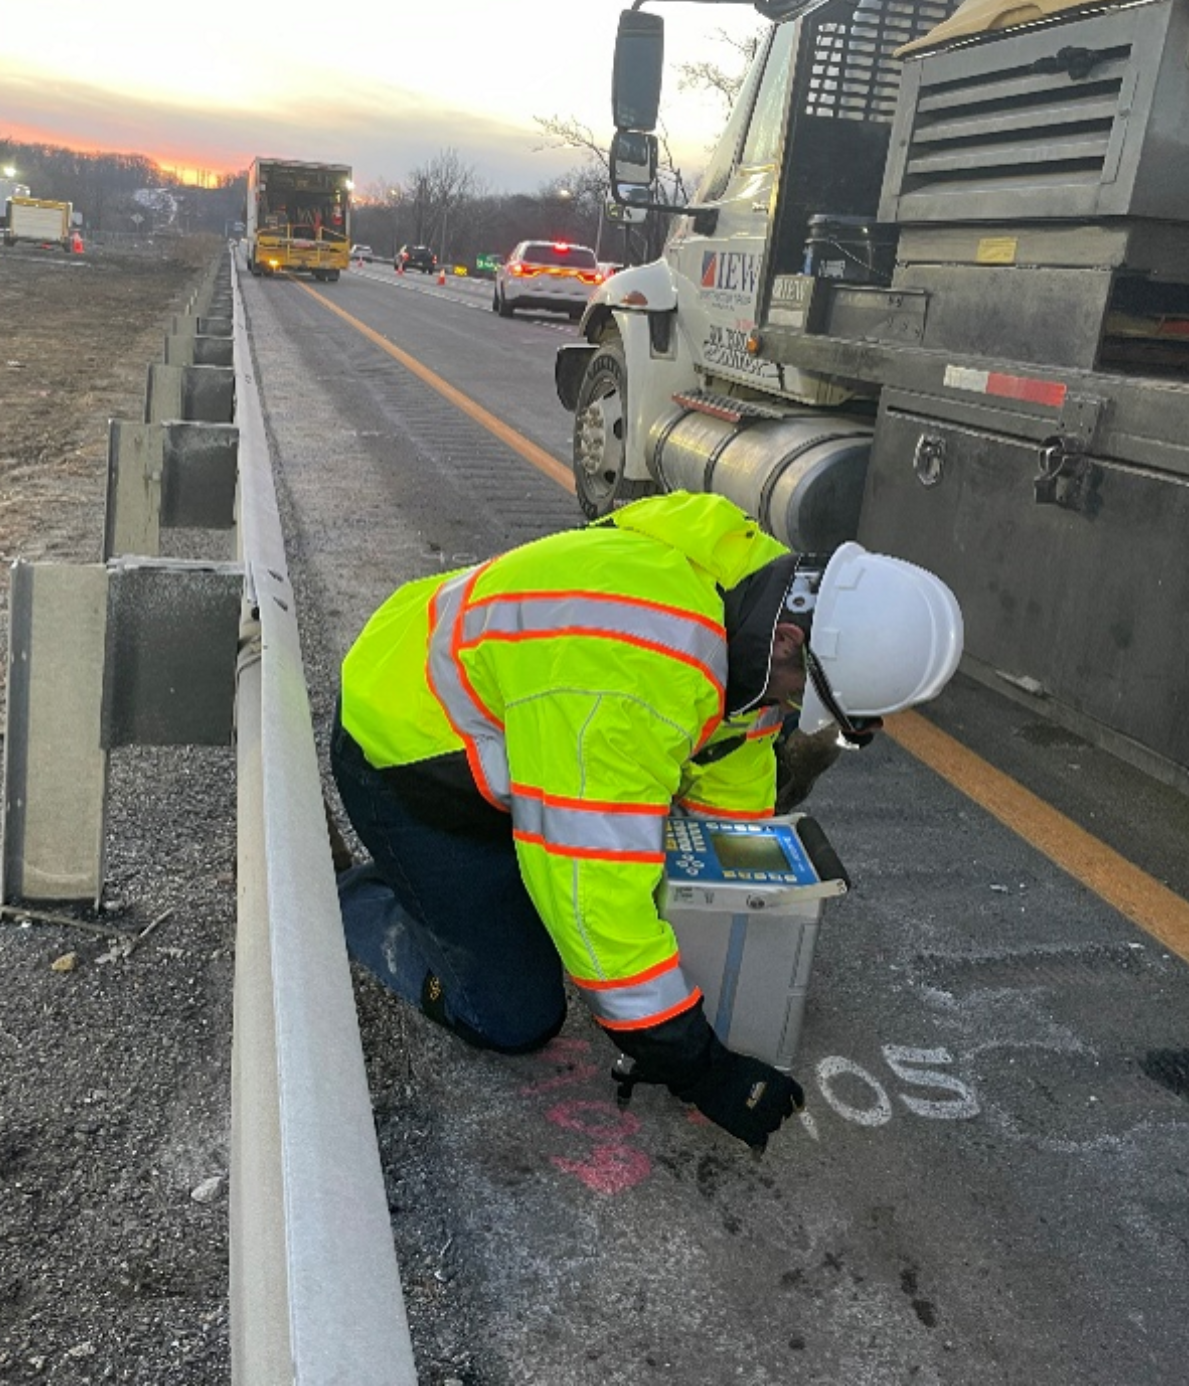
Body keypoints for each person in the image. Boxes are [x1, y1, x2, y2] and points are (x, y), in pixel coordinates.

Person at [331, 492, 963, 1152]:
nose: (796, 712)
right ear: (789, 641)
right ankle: (357, 898)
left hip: (504, 724)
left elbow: (735, 740)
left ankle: (468, 894)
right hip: (410, 760)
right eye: (807, 697)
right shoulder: (626, 677)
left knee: (608, 891)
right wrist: (698, 1067)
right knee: (515, 1014)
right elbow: (592, 901)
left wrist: (745, 897)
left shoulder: (764, 593)